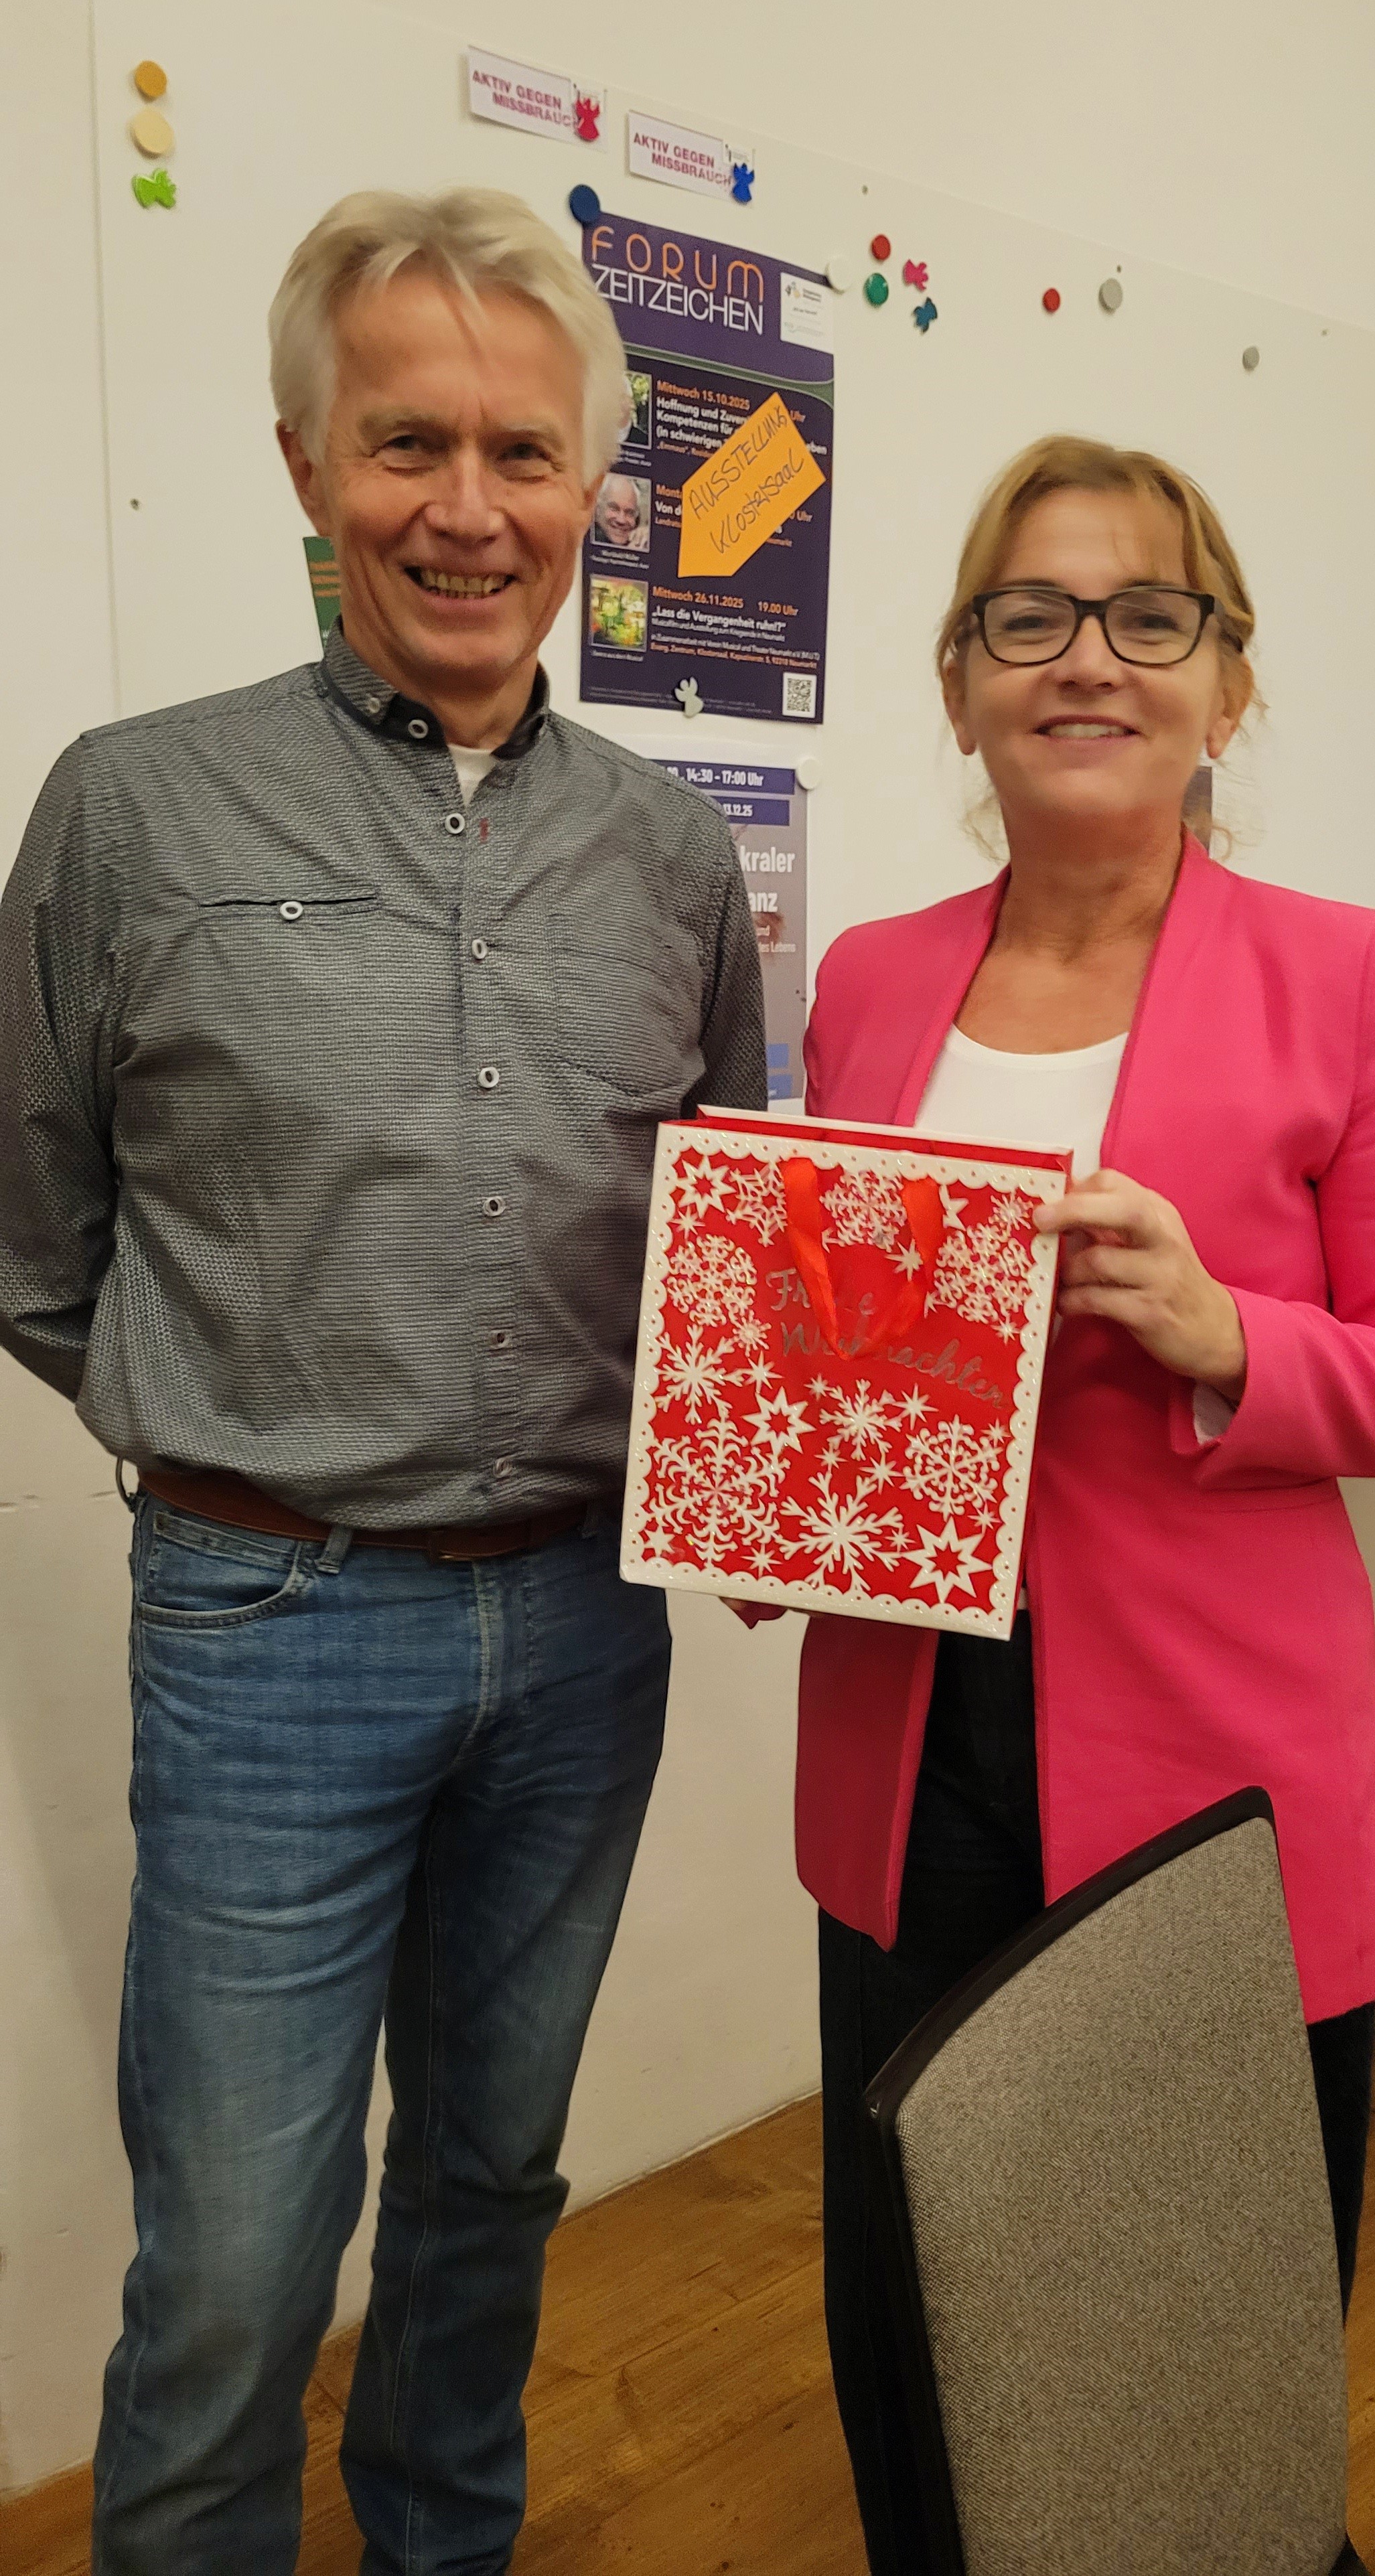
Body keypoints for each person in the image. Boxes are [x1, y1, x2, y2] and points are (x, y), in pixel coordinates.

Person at [0, 186, 765, 2575]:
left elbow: (725, 1237)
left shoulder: (674, 856)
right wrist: (249, 1429)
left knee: (491, 2182)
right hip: (270, 1626)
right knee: (237, 2253)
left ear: (592, 492)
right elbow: (33, 1239)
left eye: (522, 452)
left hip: (584, 1628)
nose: (468, 506)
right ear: (305, 464)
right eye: (408, 441)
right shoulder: (132, 806)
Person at [793, 434, 1375, 2576]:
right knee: (912, 2320)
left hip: (1206, 1776)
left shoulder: (1346, 970)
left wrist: (1227, 1337)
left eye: (1147, 615)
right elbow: (840, 1346)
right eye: (1028, 616)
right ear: (959, 687)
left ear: (1227, 682)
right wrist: (758, 1463)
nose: (1086, 658)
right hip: (909, 1743)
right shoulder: (869, 980)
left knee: (1187, 2362)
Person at [593, 469, 648, 550]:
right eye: (614, 509)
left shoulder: (640, 542)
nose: (621, 520)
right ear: (598, 509)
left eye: (629, 513)